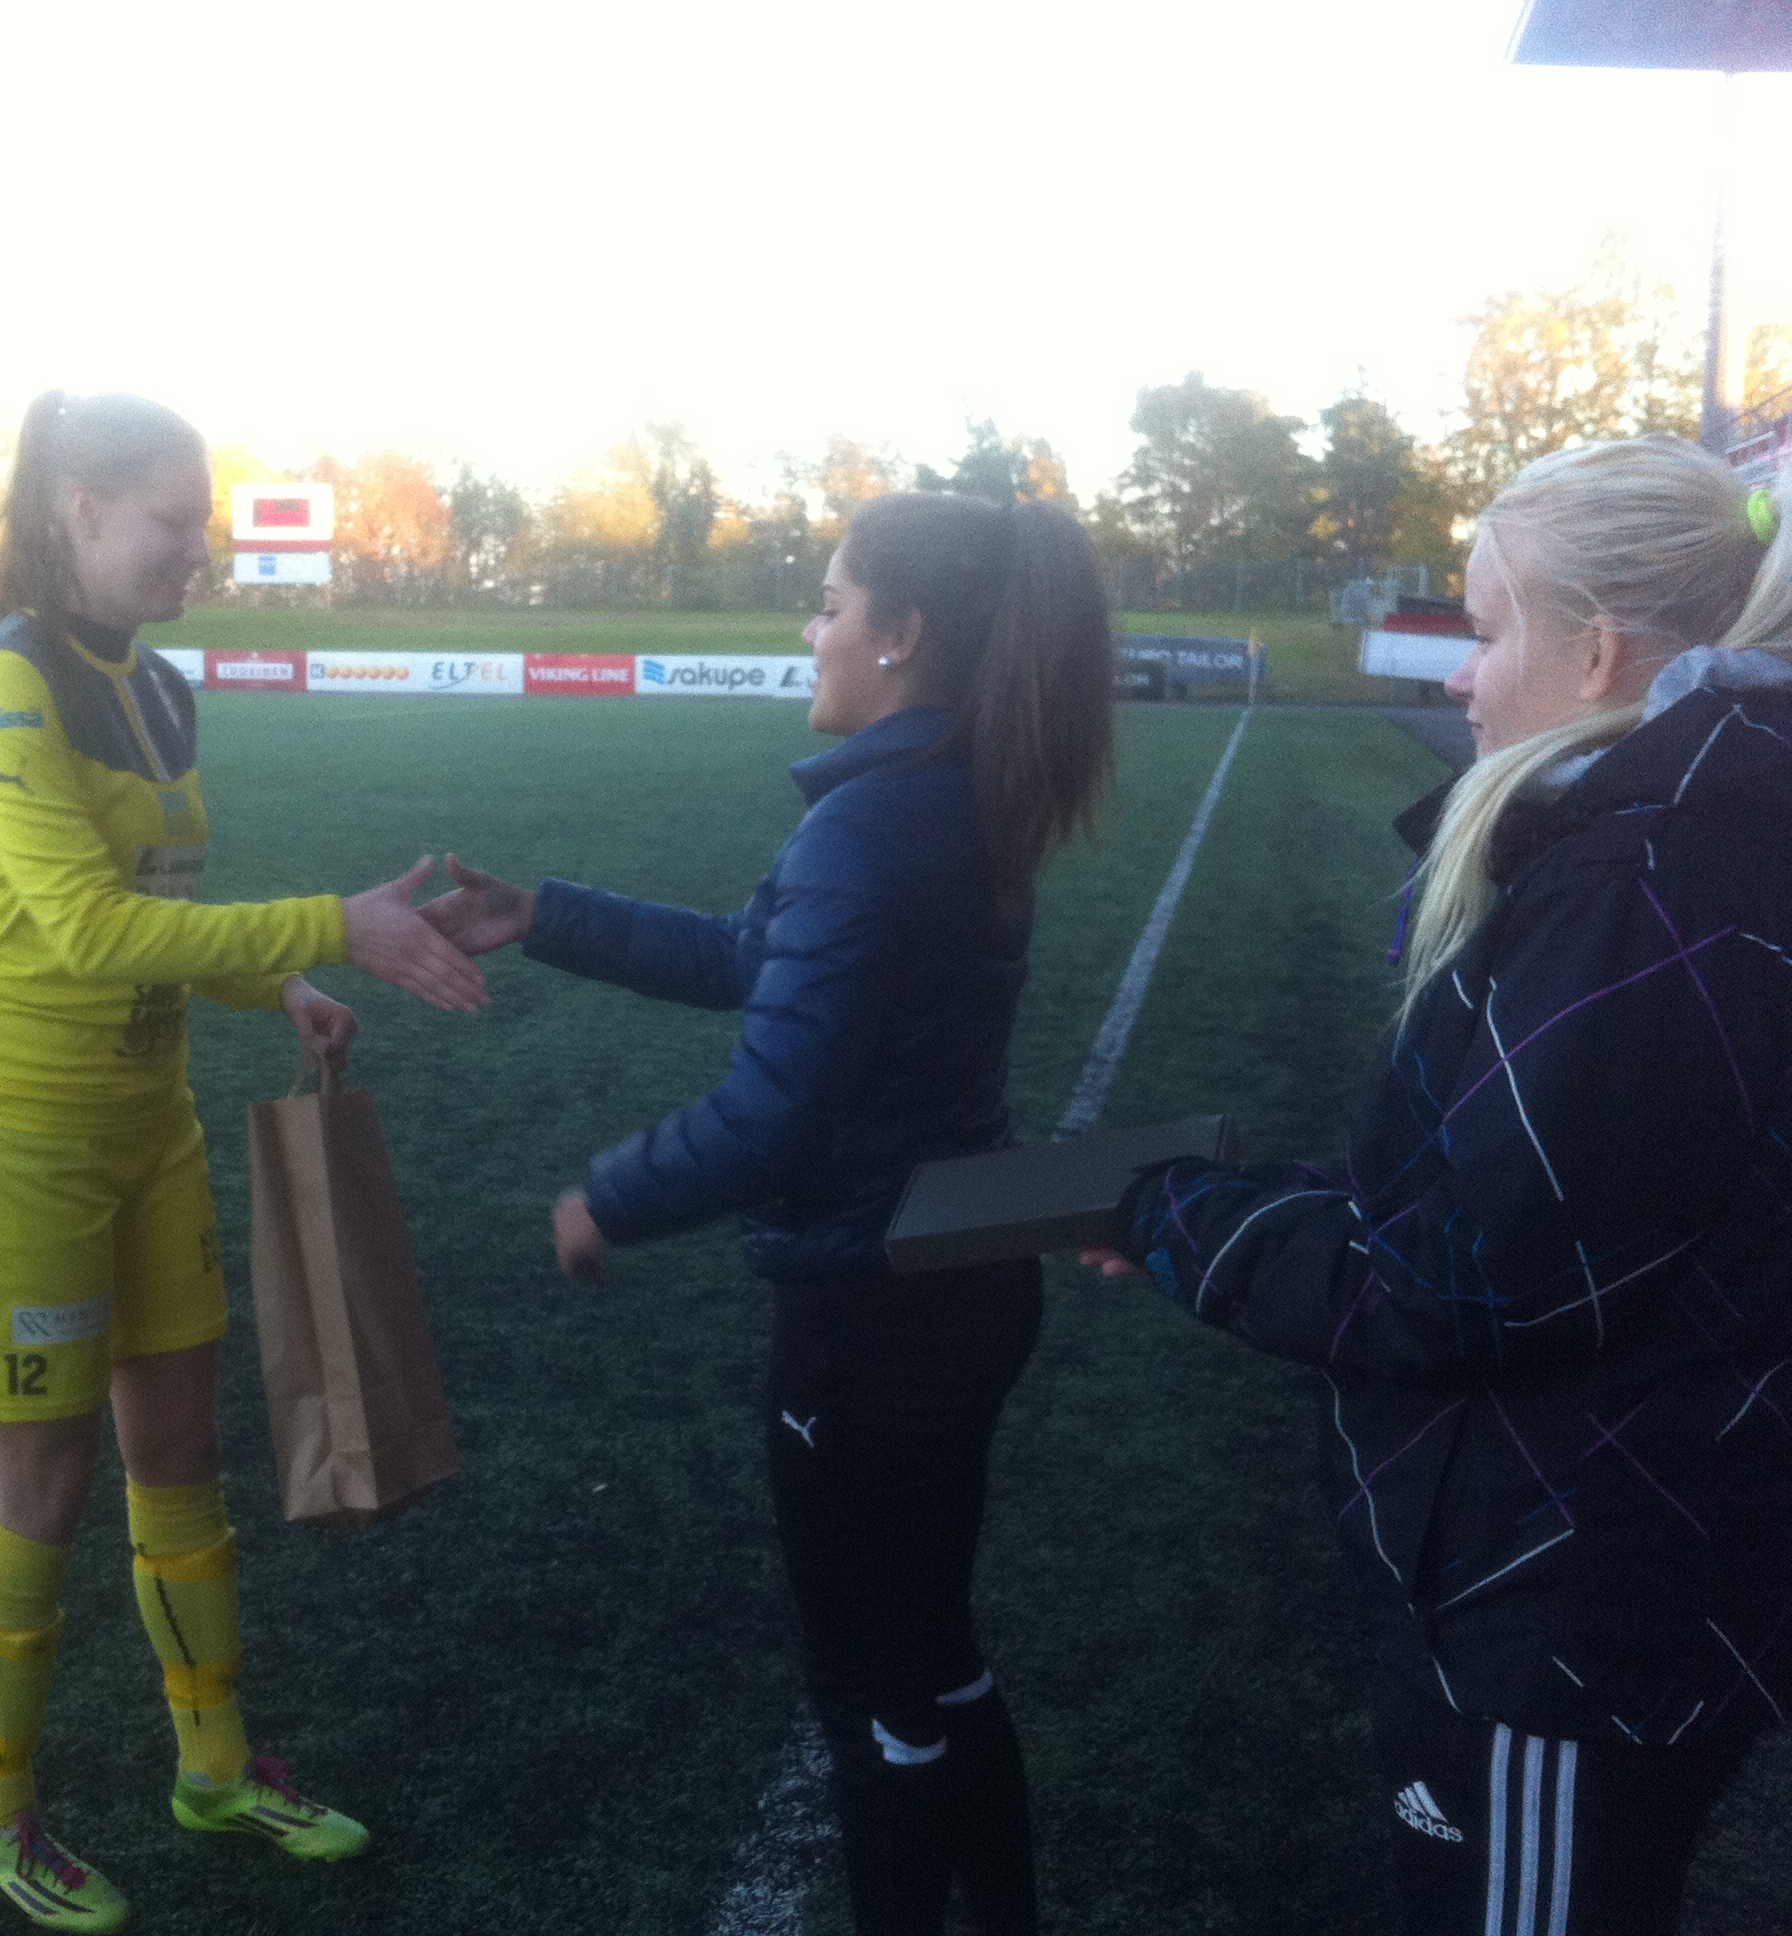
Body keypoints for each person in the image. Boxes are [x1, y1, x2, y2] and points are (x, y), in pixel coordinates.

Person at [1088, 437, 1792, 1935]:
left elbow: (1473, 1282)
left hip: (1571, 1595)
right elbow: (1541, 1200)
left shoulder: (1641, 882)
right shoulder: (1696, 844)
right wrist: (1238, 1205)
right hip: (1648, 1545)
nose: (1461, 678)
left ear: (1597, 650)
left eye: (1483, 632)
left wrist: (1177, 1218)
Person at [424, 492, 1117, 1935]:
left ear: (899, 633)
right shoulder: (950, 793)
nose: (813, 630)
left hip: (873, 1315)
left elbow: (776, 1111)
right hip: (961, 1277)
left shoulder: (874, 823)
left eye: (830, 601)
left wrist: (603, 1199)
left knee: (873, 1689)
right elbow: (763, 957)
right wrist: (547, 915)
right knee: (938, 1652)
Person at [0, 389, 486, 1931]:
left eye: (204, 521)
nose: (199, 550)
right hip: (13, 1139)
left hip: (146, 1130)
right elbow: (85, 930)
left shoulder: (160, 689)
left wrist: (279, 984)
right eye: (173, 521)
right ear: (80, 510)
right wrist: (333, 927)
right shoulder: (0, 686)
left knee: (179, 1452)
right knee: (43, 1478)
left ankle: (215, 1772)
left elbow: (159, 912)